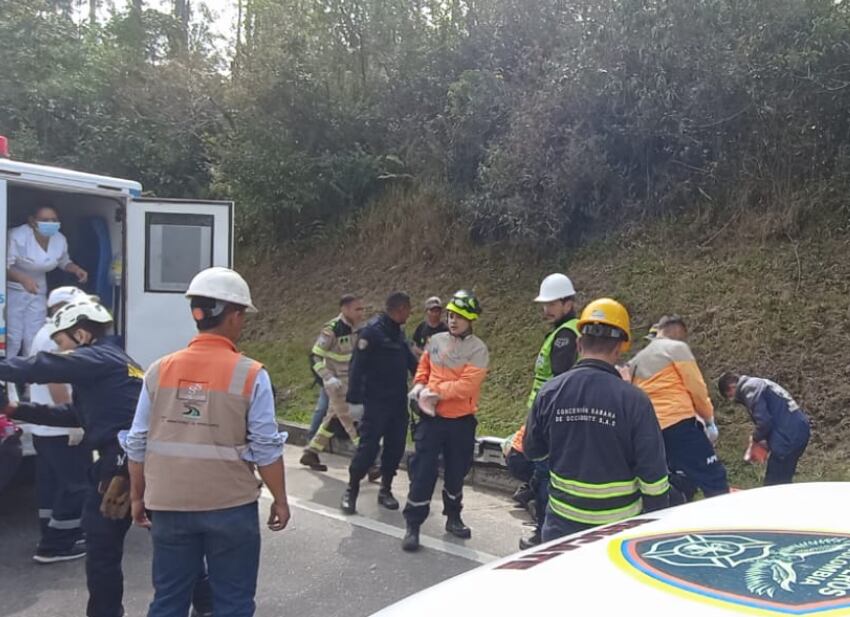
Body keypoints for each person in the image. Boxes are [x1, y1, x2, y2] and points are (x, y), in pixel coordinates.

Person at [123, 266, 290, 617]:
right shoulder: (251, 374)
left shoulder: (158, 370)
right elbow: (265, 447)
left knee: (168, 601)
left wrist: (138, 495)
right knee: (233, 603)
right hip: (230, 506)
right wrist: (280, 499)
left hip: (169, 507)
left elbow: (137, 441)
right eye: (242, 314)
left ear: (196, 312)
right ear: (233, 315)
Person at [0, 299, 143, 617]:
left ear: (81, 334)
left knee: (102, 548)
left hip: (121, 461)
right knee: (170, 537)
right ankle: (206, 602)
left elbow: (42, 367)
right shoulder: (112, 361)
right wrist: (17, 410)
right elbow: (75, 415)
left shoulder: (98, 357)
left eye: (62, 342)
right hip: (134, 457)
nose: (62, 351)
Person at [524, 298, 670, 542]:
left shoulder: (550, 391)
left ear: (579, 344)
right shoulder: (635, 401)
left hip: (561, 528)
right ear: (618, 349)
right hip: (617, 533)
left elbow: (532, 450)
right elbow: (653, 478)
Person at [402, 290, 489, 552]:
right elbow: (424, 367)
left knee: (456, 472)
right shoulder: (436, 340)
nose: (453, 320)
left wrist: (435, 392)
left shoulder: (478, 350)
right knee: (423, 472)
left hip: (460, 421)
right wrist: (419, 385)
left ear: (470, 319)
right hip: (432, 420)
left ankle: (453, 516)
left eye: (459, 317)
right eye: (451, 315)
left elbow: (466, 386)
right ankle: (413, 525)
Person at [627, 314, 729, 500]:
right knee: (714, 477)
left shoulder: (636, 361)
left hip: (651, 431)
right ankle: (724, 526)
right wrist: (708, 419)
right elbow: (696, 387)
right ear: (678, 331)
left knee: (679, 481)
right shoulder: (676, 348)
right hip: (678, 422)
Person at [513, 272, 580, 548]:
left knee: (543, 475)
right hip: (545, 415)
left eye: (552, 303)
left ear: (568, 303)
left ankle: (543, 533)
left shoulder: (566, 334)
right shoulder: (561, 332)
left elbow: (559, 381)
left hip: (550, 418)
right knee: (537, 471)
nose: (546, 309)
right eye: (545, 304)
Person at [28, 286, 91, 563]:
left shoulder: (45, 333)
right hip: (58, 428)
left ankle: (51, 530)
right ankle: (55, 545)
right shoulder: (54, 336)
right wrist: (74, 422)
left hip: (44, 427)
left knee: (51, 483)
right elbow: (56, 382)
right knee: (77, 485)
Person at [340, 292, 418, 514]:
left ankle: (386, 489)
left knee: (395, 448)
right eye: (408, 309)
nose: (410, 314)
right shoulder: (372, 332)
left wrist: (426, 382)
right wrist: (354, 401)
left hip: (397, 404)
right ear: (400, 309)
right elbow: (357, 367)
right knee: (367, 449)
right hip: (375, 404)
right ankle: (351, 489)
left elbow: (411, 362)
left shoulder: (398, 334)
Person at [6, 205, 88, 357]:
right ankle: (6, 376)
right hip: (13, 289)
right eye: (45, 220)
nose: (50, 223)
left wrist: (76, 269)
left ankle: (30, 376)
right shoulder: (17, 236)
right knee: (13, 337)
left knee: (34, 335)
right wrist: (22, 279)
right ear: (32, 221)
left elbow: (63, 261)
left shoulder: (59, 239)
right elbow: (4, 266)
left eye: (54, 220)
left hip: (38, 290)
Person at [300, 294, 365, 471]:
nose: (361, 312)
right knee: (350, 421)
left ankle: (311, 452)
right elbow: (315, 356)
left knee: (332, 420)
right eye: (357, 309)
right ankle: (370, 461)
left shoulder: (358, 327)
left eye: (362, 308)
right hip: (336, 386)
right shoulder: (332, 329)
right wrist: (327, 377)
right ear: (344, 309)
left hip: (352, 382)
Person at [718, 372, 811, 485]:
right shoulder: (759, 383)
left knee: (772, 485)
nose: (733, 399)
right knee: (784, 480)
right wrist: (766, 442)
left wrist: (755, 440)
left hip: (787, 437)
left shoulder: (749, 389)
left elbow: (764, 422)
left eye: (730, 395)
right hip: (799, 430)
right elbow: (774, 415)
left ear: (731, 387)